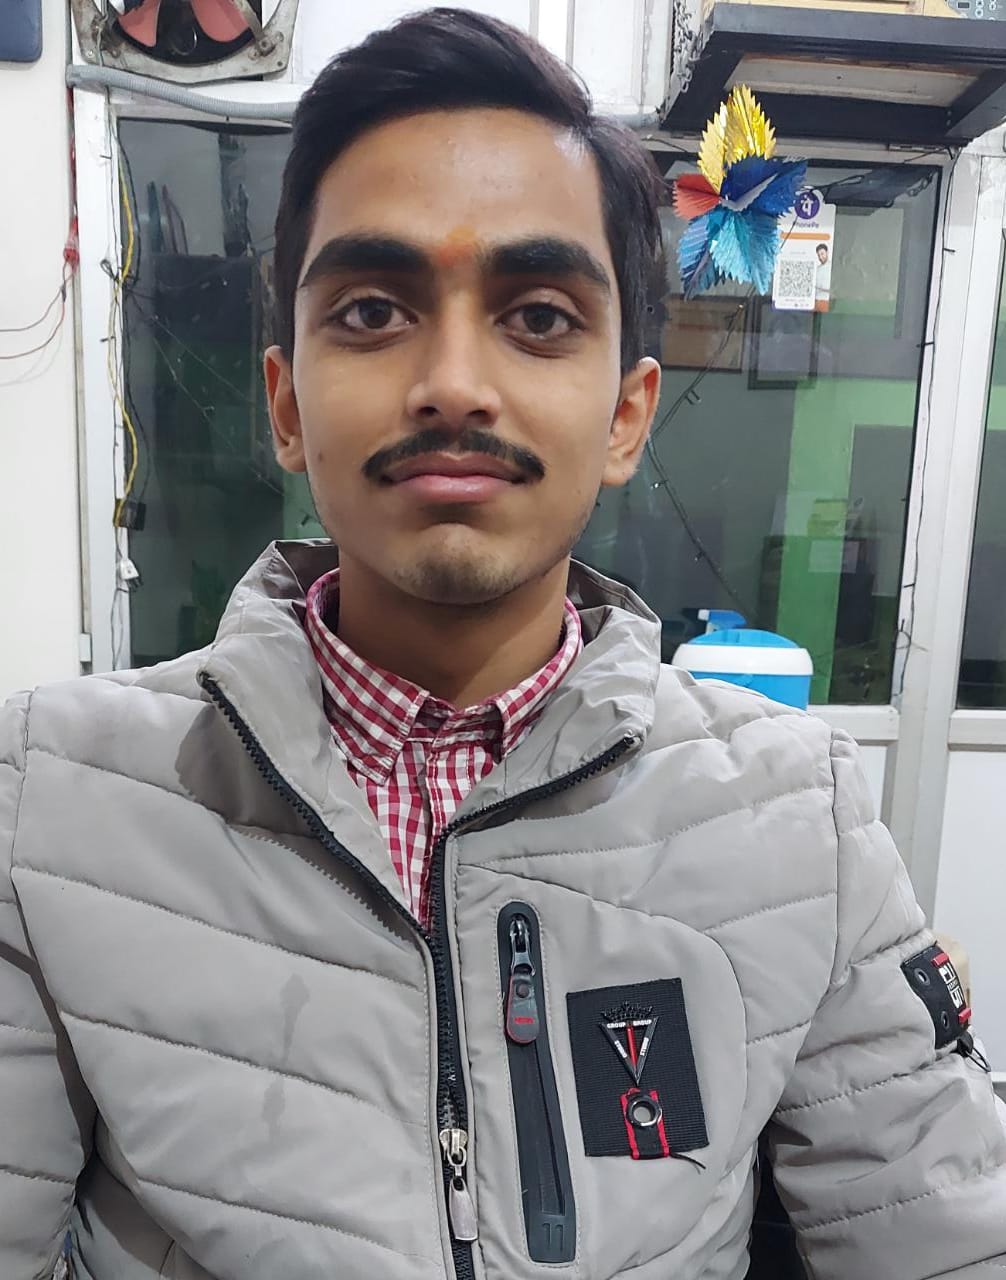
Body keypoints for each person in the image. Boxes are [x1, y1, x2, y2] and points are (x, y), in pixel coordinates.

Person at [1, 9, 1003, 1280]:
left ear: (626, 414)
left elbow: (943, 1233)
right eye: (373, 309)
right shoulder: (51, 799)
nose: (455, 383)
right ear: (286, 406)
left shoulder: (799, 816)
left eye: (537, 316)